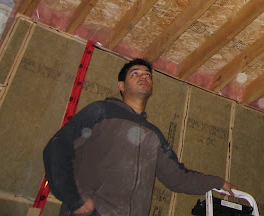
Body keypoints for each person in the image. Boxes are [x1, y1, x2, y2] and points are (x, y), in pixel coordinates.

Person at [43, 58, 235, 216]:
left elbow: (177, 177)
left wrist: (218, 183)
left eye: (147, 75)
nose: (143, 77)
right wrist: (75, 199)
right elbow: (57, 148)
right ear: (121, 86)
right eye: (135, 73)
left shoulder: (154, 135)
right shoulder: (101, 111)